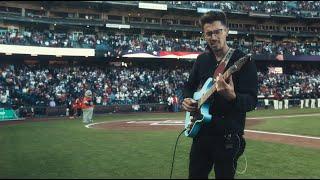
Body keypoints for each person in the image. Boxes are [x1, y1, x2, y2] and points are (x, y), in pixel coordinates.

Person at [182, 11, 258, 179]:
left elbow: (252, 101)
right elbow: (188, 86)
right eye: (209, 33)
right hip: (201, 134)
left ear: (227, 31)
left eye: (217, 31)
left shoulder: (243, 61)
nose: (213, 37)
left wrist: (233, 97)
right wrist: (186, 99)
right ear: (204, 35)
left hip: (228, 138)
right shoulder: (202, 60)